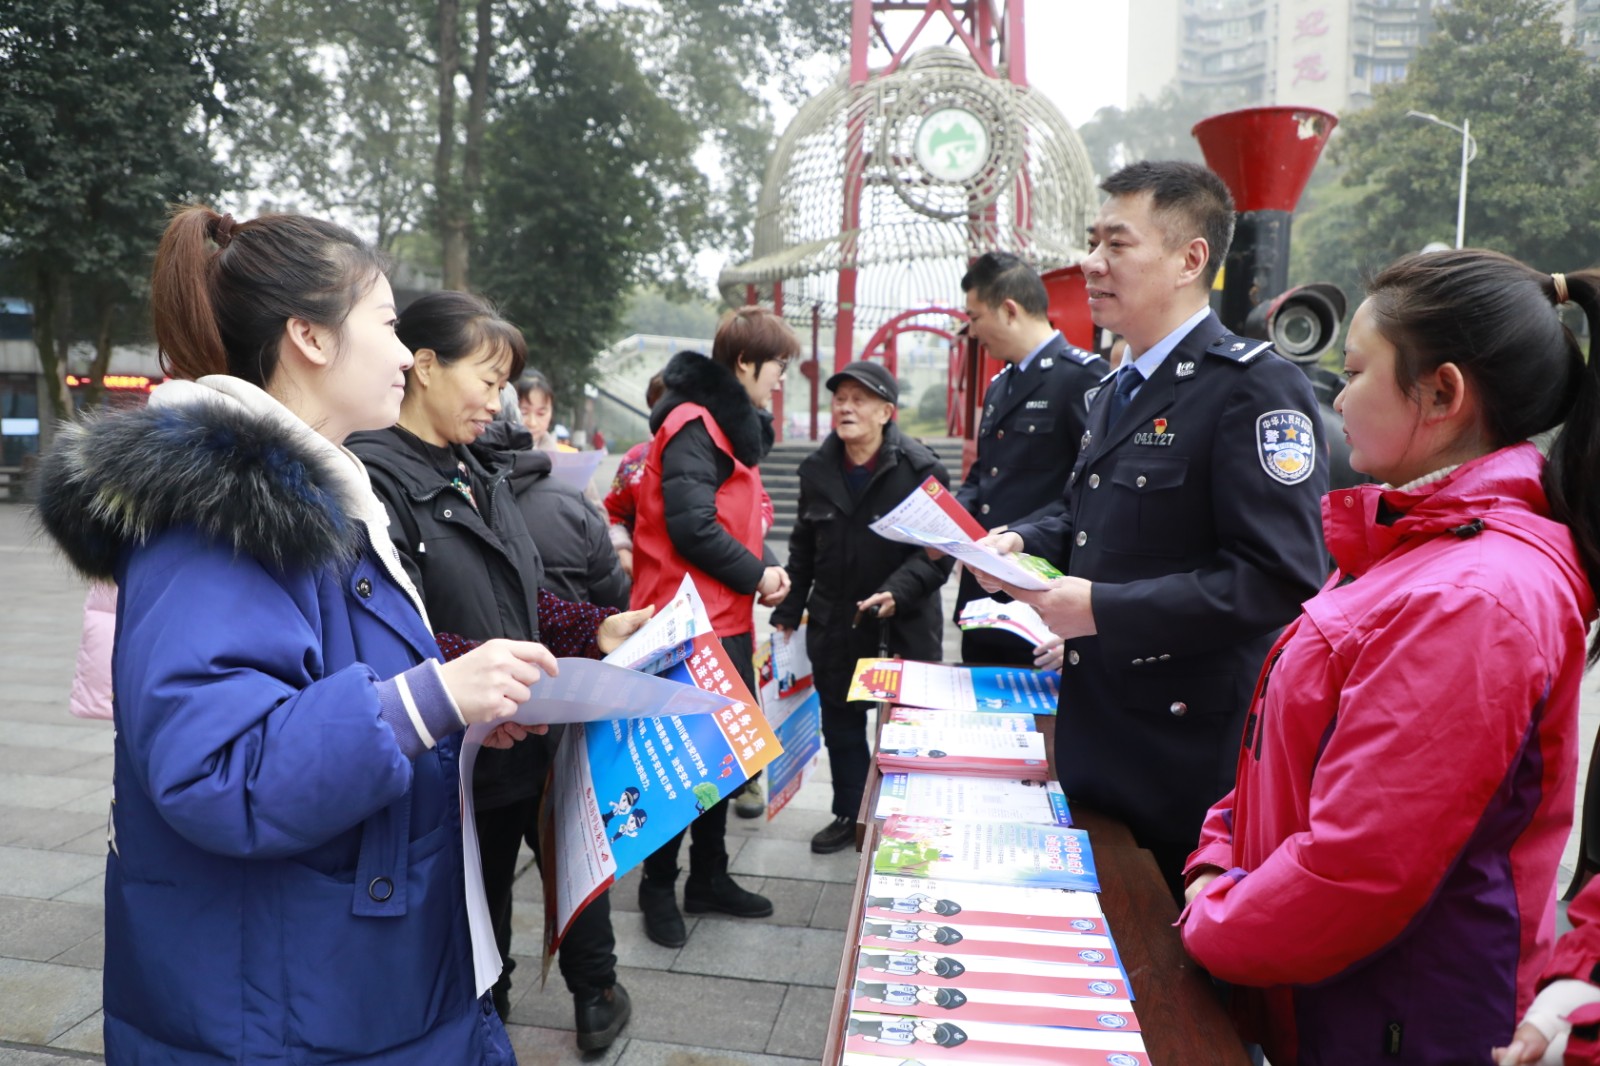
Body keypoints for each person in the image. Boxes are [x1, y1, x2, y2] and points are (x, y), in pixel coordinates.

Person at [32, 206, 554, 1062]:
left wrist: (456, 714)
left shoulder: (303, 498)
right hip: (288, 1002)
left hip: (333, 975)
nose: (404, 354)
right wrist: (427, 700)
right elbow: (218, 767)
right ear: (309, 336)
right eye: (385, 324)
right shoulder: (219, 518)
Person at [1175, 252, 1600, 1065]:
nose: (1337, 399)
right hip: (1334, 997)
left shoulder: (1473, 597)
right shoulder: (1413, 542)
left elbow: (1358, 869)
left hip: (1397, 1024)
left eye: (1355, 372)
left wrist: (1211, 915)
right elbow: (1285, 756)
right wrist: (1219, 855)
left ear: (1441, 394)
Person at [980, 160, 1329, 896]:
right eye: (1092, 241)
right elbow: (1085, 513)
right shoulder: (1116, 388)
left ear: (1189, 259)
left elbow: (1278, 577)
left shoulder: (1253, 387)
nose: (1090, 262)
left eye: (1116, 244)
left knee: (1161, 957)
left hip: (1182, 765)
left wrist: (1103, 610)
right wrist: (1022, 543)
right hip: (1095, 738)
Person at [349, 290, 647, 1050]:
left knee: (563, 871)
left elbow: (521, 596)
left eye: (504, 385)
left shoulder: (478, 470)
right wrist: (482, 679)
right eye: (487, 380)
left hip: (525, 741)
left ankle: (574, 998)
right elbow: (389, 635)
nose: (497, 402)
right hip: (453, 758)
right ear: (423, 366)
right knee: (470, 918)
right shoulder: (372, 482)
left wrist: (594, 627)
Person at [628, 307, 795, 946]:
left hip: (722, 620)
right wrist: (758, 575)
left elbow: (733, 523)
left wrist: (765, 567)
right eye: (777, 364)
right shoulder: (694, 423)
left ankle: (709, 876)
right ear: (745, 363)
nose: (781, 377)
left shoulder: (728, 428)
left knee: (720, 761)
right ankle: (657, 887)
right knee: (677, 765)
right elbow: (692, 527)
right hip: (685, 624)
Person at [770, 361, 955, 854]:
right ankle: (849, 815)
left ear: (886, 412)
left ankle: (905, 819)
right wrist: (788, 612)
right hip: (836, 621)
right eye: (840, 399)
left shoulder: (921, 470)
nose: (846, 408)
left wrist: (899, 589)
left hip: (904, 622)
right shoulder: (817, 470)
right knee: (842, 726)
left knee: (906, 726)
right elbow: (803, 550)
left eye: (859, 399)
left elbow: (939, 552)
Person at [954, 251, 1109, 667]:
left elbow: (1091, 494)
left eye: (975, 317)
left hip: (1042, 596)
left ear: (1009, 310)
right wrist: (950, 524)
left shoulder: (1082, 377)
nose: (972, 331)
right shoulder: (1000, 384)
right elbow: (985, 474)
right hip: (985, 595)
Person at [604, 371, 668, 580]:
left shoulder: (712, 458)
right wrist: (623, 549)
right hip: (645, 578)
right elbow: (612, 513)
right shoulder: (635, 460)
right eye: (661, 407)